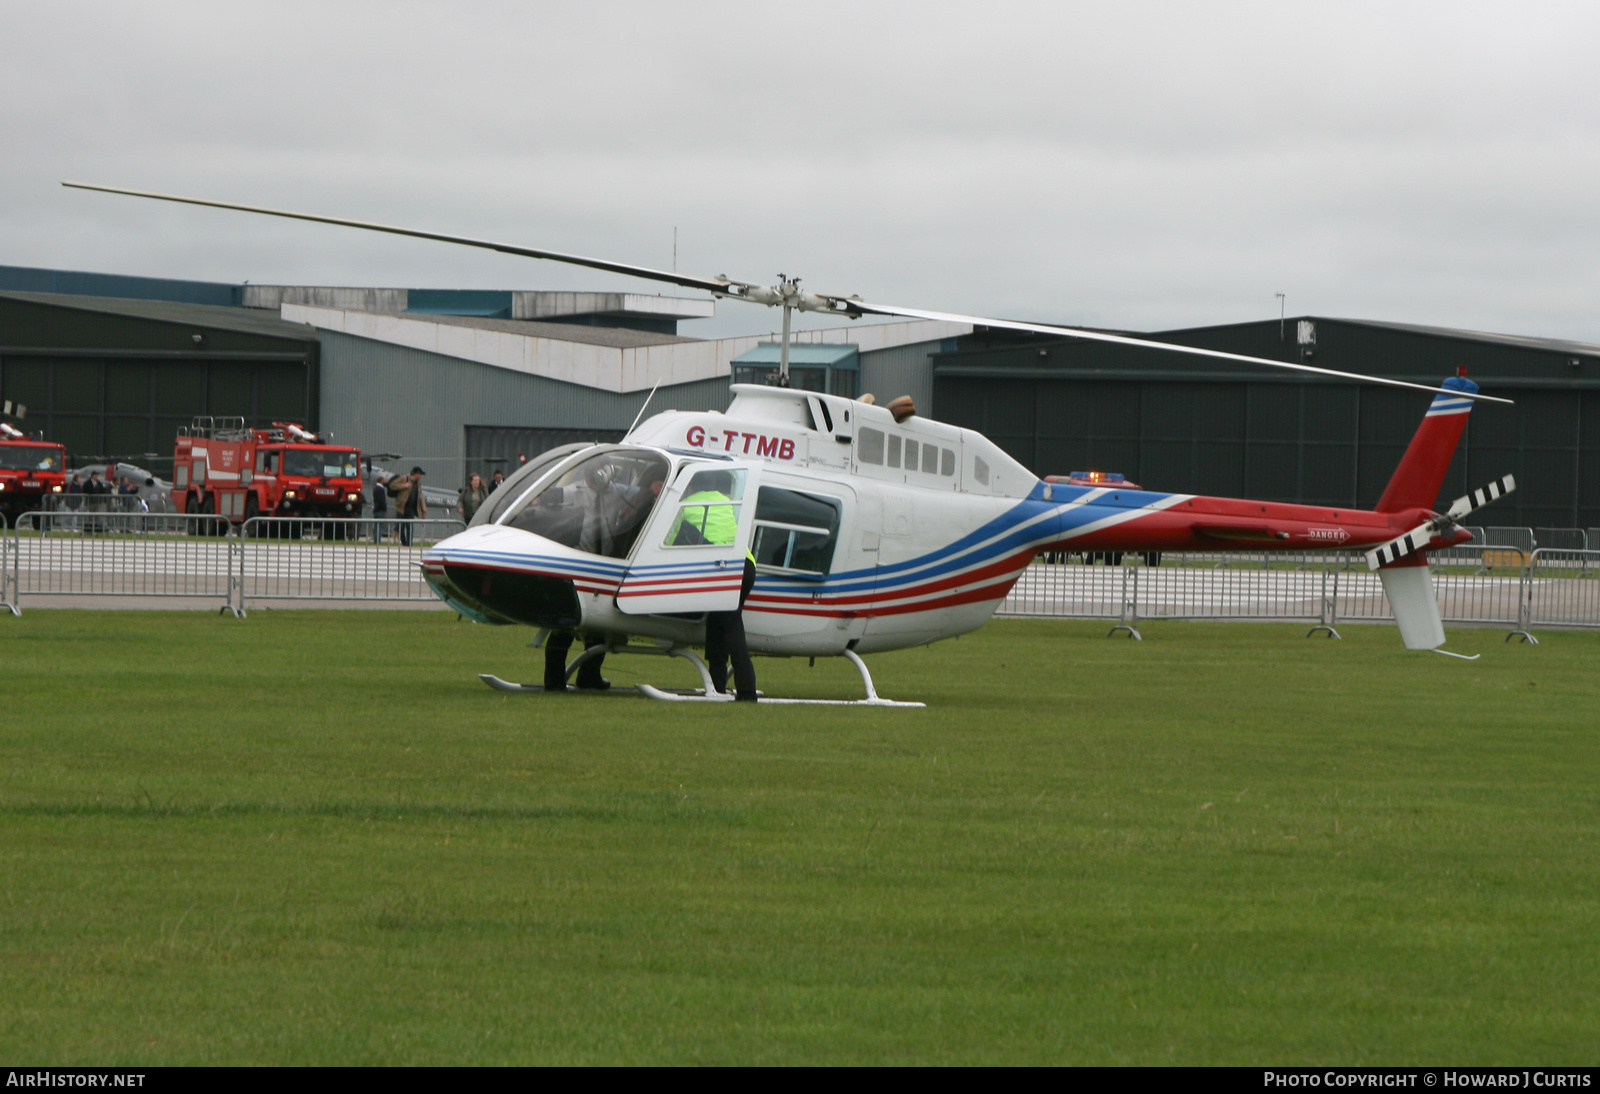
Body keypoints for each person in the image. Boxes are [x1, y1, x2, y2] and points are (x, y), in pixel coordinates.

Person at [667, 470, 757, 701]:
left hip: (724, 567)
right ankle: (717, 685)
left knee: (731, 627)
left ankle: (747, 691)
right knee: (717, 625)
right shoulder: (725, 500)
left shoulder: (684, 504)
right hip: (746, 565)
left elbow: (668, 540)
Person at [388, 467, 427, 545]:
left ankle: (409, 543)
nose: (420, 476)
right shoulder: (404, 478)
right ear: (416, 473)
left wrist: (424, 510)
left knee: (410, 525)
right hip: (401, 507)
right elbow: (392, 485)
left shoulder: (418, 484)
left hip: (411, 507)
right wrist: (404, 485)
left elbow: (420, 497)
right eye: (420, 474)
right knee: (400, 526)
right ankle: (404, 541)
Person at [370, 471, 389, 542]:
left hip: (376, 509)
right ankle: (377, 540)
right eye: (384, 479)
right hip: (380, 510)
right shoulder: (380, 489)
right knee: (380, 526)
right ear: (381, 480)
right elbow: (381, 501)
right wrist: (384, 508)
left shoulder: (376, 488)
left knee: (376, 526)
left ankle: (376, 539)